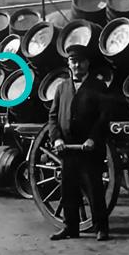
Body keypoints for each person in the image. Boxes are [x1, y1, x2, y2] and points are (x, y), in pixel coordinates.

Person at [48, 45, 113, 241]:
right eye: (73, 61)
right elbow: (52, 117)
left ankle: (101, 228)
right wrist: (57, 138)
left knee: (94, 189)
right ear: (68, 64)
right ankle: (70, 227)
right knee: (68, 190)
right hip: (67, 148)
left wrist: (93, 138)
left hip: (89, 148)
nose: (77, 65)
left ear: (87, 64)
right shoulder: (61, 88)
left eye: (80, 61)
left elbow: (104, 117)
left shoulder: (98, 86)